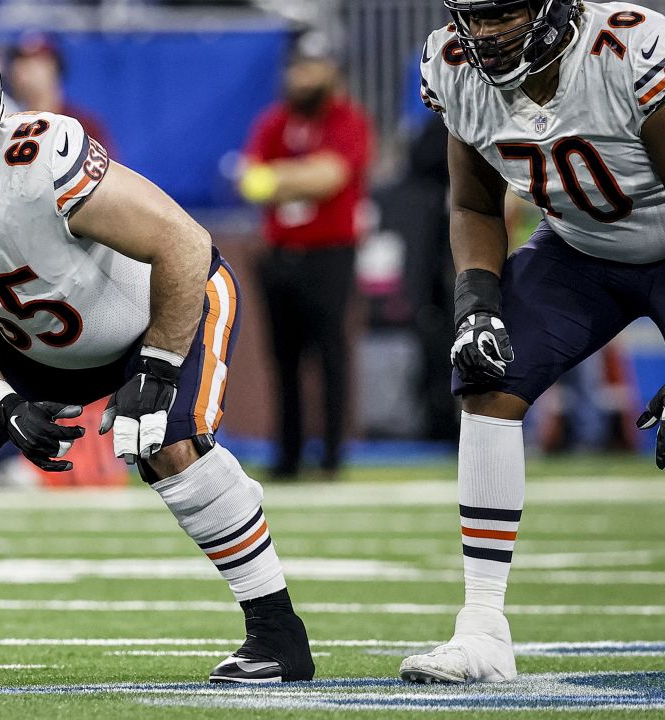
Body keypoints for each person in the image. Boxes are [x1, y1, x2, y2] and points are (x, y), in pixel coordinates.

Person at [0, 24, 314, 686]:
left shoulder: (37, 159)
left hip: (160, 309)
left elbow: (181, 242)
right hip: (40, 341)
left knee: (168, 447)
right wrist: (2, 406)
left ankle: (278, 633)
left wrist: (160, 363)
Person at [402, 0, 665, 684]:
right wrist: (476, 305)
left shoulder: (628, 50)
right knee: (487, 377)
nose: (485, 33)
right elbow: (474, 204)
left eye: (504, 13)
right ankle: (483, 630)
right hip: (580, 250)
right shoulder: (452, 67)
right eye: (473, 16)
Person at [237, 53, 373, 480]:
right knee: (284, 359)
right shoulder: (274, 121)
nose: (302, 78)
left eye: (311, 69)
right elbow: (248, 180)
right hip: (280, 254)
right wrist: (299, 175)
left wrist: (276, 179)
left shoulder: (348, 120)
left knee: (331, 355)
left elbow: (329, 177)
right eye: (296, 68)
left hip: (329, 252)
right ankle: (288, 456)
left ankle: (332, 455)